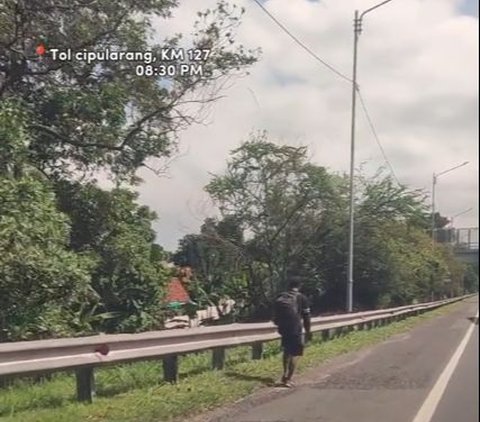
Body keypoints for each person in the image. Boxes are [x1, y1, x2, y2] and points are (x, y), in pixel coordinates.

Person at [273, 278, 312, 387]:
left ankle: (284, 373)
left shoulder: (280, 296)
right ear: (300, 286)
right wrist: (308, 331)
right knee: (295, 353)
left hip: (283, 328)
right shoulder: (302, 298)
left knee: (286, 350)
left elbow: (275, 316)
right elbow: (306, 317)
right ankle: (288, 379)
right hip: (295, 328)